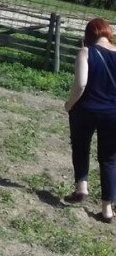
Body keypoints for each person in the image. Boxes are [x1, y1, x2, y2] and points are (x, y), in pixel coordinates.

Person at [63, 18, 116, 223]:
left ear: (89, 35)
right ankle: (107, 210)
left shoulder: (86, 52)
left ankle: (81, 188)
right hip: (112, 114)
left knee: (81, 147)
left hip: (86, 110)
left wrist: (69, 104)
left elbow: (81, 84)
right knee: (109, 159)